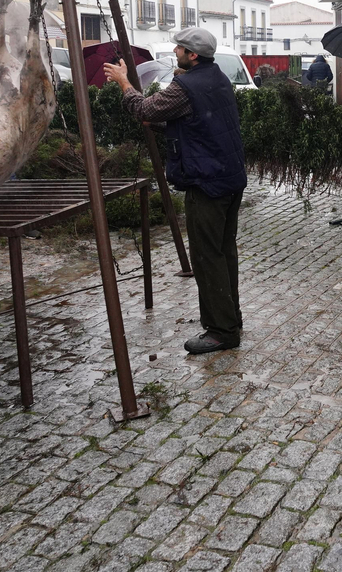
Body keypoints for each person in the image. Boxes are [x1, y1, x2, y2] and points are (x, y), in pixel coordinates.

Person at [104, 26, 247, 355]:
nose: (176, 53)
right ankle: (231, 318)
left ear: (192, 55)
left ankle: (221, 332)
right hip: (229, 179)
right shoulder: (218, 77)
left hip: (207, 183)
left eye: (180, 49)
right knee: (224, 253)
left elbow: (143, 108)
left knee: (207, 257)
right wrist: (157, 122)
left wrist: (124, 83)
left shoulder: (185, 86)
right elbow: (197, 121)